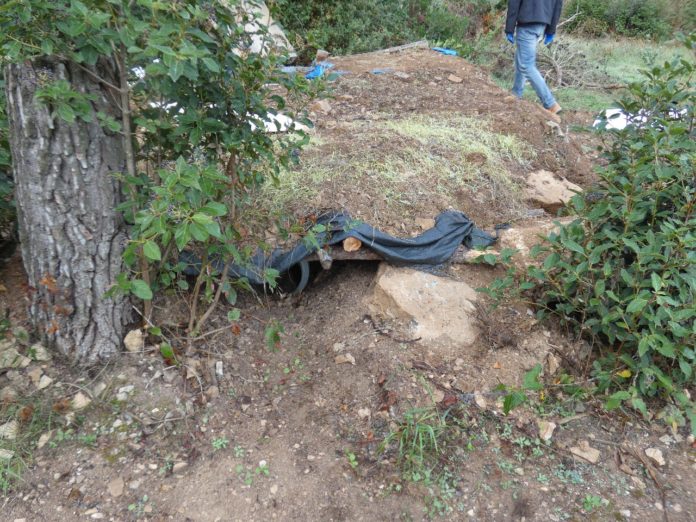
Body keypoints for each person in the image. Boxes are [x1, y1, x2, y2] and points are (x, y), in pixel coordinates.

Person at [505, 0, 563, 118]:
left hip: (527, 24)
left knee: (526, 65)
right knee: (521, 58)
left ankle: (550, 103)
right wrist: (551, 30)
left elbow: (514, 3)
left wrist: (509, 28)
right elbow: (558, 5)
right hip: (541, 25)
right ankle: (516, 94)